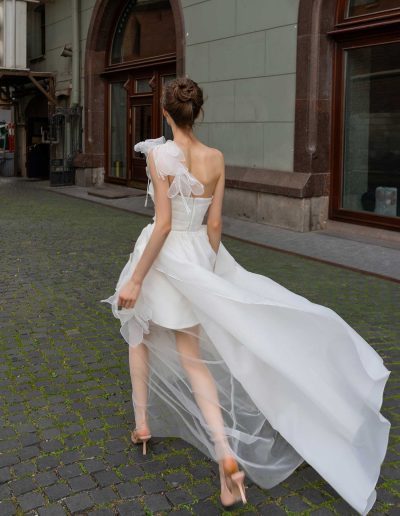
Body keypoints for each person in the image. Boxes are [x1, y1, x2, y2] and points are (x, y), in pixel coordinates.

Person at [101, 77, 391, 514]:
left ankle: (142, 426)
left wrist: (137, 279)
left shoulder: (158, 155)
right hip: (198, 254)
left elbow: (162, 224)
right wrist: (207, 270)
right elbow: (215, 226)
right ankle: (225, 455)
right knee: (193, 359)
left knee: (137, 331)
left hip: (162, 256)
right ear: (197, 113)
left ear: (164, 113)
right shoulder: (216, 158)